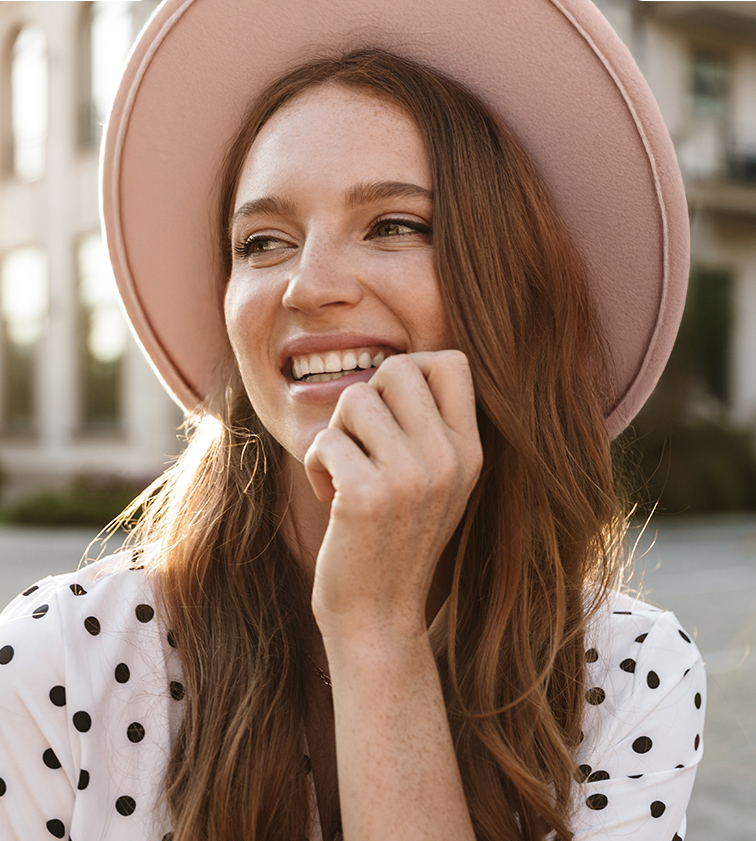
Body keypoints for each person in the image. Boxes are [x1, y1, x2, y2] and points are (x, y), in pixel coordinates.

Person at [0, 2, 705, 840]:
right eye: (262, 241)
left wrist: (376, 631)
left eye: (394, 225)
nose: (307, 285)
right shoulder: (61, 658)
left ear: (510, 292)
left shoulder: (629, 676)